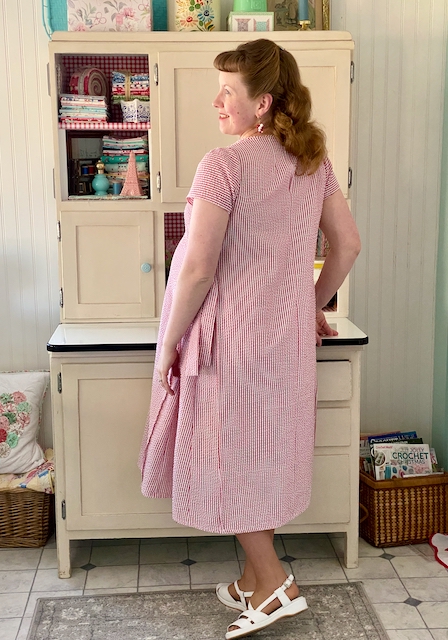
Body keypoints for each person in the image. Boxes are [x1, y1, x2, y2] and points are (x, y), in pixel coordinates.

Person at [138, 38, 361, 639]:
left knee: (231, 462)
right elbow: (348, 246)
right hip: (285, 345)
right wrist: (310, 305)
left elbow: (197, 269)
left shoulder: (225, 165)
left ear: (261, 102)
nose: (216, 102)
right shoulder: (313, 163)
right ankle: (251, 579)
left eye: (227, 92)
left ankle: (277, 584)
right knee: (260, 457)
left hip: (230, 345)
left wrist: (168, 344)